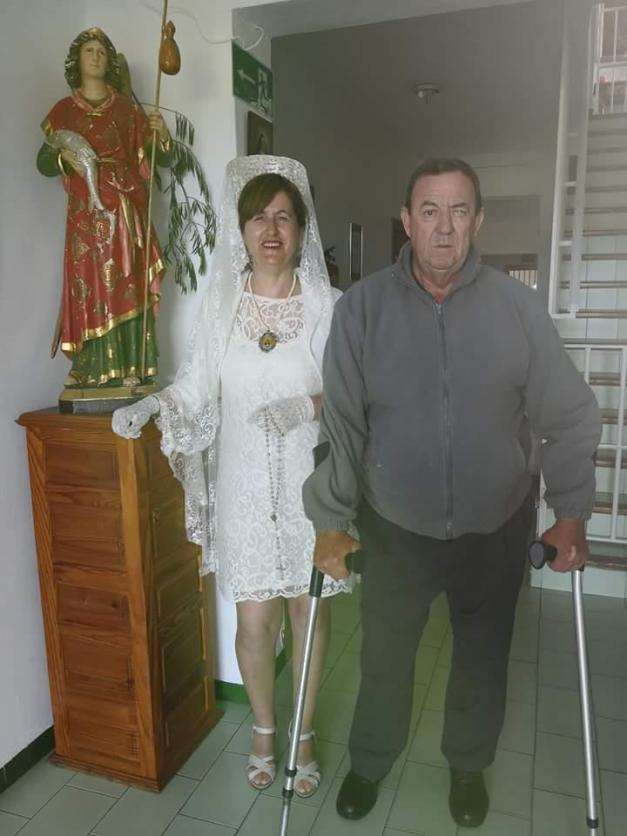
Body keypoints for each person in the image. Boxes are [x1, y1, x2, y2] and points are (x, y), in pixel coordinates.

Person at [302, 158, 601, 827]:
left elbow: (569, 414)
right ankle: (369, 762)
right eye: (429, 211)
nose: (443, 228)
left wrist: (571, 512)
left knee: (481, 661)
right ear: (407, 221)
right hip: (393, 525)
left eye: (458, 211)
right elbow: (342, 424)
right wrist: (330, 519)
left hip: (494, 525)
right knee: (384, 658)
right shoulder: (362, 309)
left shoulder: (516, 309)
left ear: (478, 222)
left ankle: (467, 766)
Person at [112, 155, 351, 796]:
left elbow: (359, 393)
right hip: (245, 489)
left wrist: (309, 406)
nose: (271, 229)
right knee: (253, 625)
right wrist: (154, 405)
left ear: (301, 228)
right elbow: (195, 386)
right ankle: (265, 730)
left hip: (311, 489)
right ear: (240, 229)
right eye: (258, 218)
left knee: (308, 615)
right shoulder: (222, 308)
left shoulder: (328, 306)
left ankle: (303, 733)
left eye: (283, 217)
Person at [37, 27, 171, 388]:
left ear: (109, 61)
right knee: (88, 283)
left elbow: (159, 159)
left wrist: (161, 136)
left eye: (101, 51)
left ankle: (132, 366)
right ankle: (88, 367)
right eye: (89, 51)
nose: (96, 57)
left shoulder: (127, 110)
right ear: (77, 61)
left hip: (124, 210)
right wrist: (64, 159)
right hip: (85, 213)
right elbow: (43, 162)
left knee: (127, 280)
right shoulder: (63, 112)